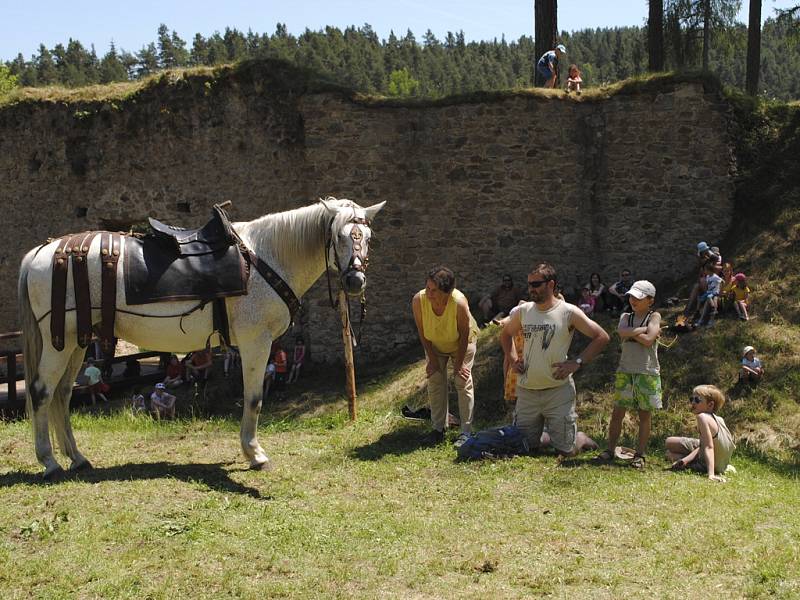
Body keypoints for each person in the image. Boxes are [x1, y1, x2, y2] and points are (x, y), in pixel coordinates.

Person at [500, 263, 610, 455]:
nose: (531, 289)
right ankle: (548, 435)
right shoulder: (523, 311)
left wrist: (576, 363)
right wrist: (512, 359)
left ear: (550, 284)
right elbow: (505, 334)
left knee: (567, 452)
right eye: (529, 284)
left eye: (536, 284)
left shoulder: (568, 312)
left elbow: (601, 337)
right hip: (527, 391)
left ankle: (579, 438)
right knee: (524, 448)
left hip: (558, 392)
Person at [594, 280, 662, 469]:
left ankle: (640, 454)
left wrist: (631, 333)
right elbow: (622, 332)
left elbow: (648, 341)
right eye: (632, 296)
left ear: (650, 300)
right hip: (626, 371)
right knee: (617, 413)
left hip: (647, 372)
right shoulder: (626, 316)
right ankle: (610, 449)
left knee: (644, 416)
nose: (633, 300)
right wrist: (641, 330)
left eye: (639, 297)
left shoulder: (654, 316)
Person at [412, 265, 480, 447]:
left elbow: (465, 335)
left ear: (447, 292)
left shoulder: (459, 303)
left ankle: (466, 432)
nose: (429, 293)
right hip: (435, 344)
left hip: (461, 344)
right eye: (427, 288)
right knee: (435, 379)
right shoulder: (419, 300)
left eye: (434, 290)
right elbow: (422, 330)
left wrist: (459, 365)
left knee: (462, 380)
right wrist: (433, 361)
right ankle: (438, 429)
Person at [665, 385, 735, 482]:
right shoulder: (719, 419)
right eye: (692, 399)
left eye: (697, 400)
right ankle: (688, 461)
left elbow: (708, 446)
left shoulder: (702, 417)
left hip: (711, 464)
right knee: (670, 446)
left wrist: (711, 474)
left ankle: (700, 464)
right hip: (721, 464)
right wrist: (686, 460)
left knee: (669, 451)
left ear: (710, 405)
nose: (693, 402)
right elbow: (704, 444)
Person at [683, 242, 722, 319]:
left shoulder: (712, 258)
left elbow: (716, 261)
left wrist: (709, 254)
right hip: (705, 281)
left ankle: (695, 309)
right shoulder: (703, 260)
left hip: (712, 283)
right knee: (696, 286)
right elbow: (703, 269)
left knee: (701, 282)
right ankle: (688, 310)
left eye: (705, 251)